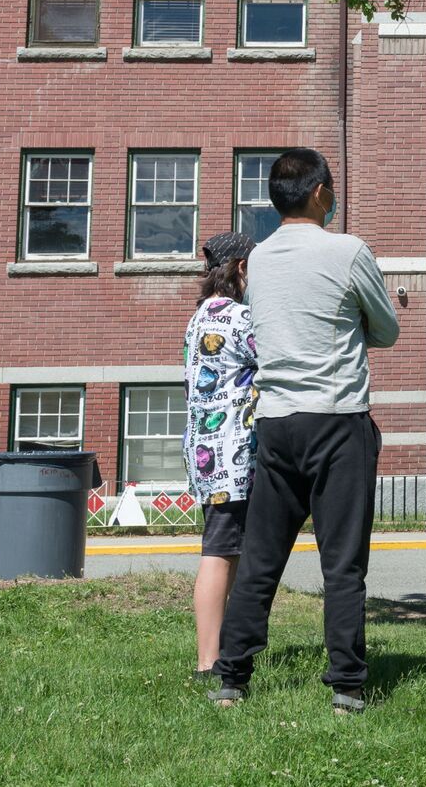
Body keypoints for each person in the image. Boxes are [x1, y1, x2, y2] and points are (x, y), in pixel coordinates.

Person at [209, 149, 400, 715]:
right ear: (320, 193)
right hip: (337, 419)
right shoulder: (348, 251)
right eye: (332, 189)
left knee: (262, 557)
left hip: (275, 421)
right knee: (342, 562)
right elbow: (385, 330)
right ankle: (346, 684)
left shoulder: (258, 260)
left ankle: (232, 679)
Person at [183, 232, 258, 679]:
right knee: (219, 551)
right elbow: (276, 359)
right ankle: (209, 661)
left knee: (223, 548)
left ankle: (214, 652)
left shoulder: (199, 317)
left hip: (205, 453)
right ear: (242, 269)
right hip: (232, 454)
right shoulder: (240, 318)